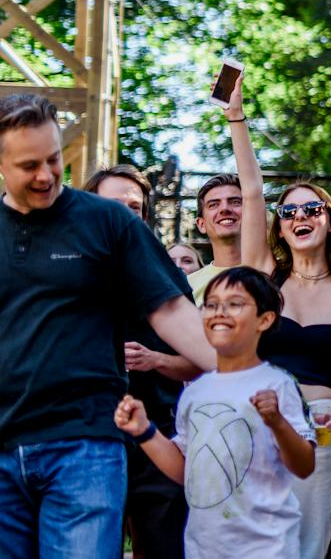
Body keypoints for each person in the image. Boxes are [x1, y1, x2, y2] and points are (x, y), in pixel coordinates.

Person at [0, 93, 215, 558]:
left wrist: (245, 372)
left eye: (54, 159)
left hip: (85, 445)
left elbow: (173, 312)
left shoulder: (108, 221)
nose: (45, 175)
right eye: (28, 165)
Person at [230, 78, 331, 559]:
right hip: (256, 421)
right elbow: (252, 194)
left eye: (312, 208)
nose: (300, 215)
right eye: (290, 210)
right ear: (281, 225)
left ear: (330, 220)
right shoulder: (264, 275)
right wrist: (237, 118)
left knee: (308, 548)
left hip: (319, 427)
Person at [115, 266, 316, 559]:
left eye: (234, 304)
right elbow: (186, 472)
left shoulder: (278, 384)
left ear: (265, 319)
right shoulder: (195, 391)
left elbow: (304, 465)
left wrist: (277, 422)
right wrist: (144, 431)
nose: (219, 312)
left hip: (266, 548)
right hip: (204, 548)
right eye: (211, 305)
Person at [85, 164, 198, 559]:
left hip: (158, 434)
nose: (125, 214)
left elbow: (198, 363)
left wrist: (156, 360)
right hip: (87, 435)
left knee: (164, 548)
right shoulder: (66, 271)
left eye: (135, 207)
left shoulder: (165, 274)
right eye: (115, 205)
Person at [189, 172, 246, 299]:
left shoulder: (274, 272)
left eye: (235, 202)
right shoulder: (188, 286)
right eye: (213, 204)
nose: (224, 209)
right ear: (201, 224)